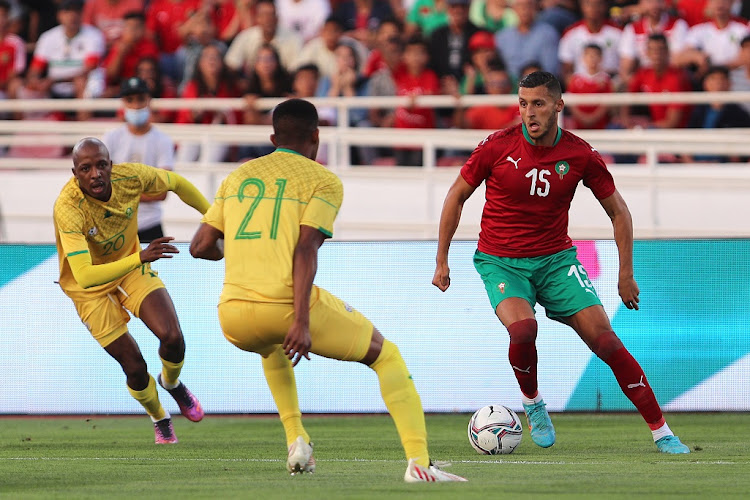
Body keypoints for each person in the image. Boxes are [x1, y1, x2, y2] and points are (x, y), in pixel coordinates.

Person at [189, 98, 467, 482]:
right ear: (316, 137)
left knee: (270, 347)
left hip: (233, 316)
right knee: (387, 357)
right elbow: (306, 249)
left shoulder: (238, 176)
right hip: (284, 306)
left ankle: (296, 440)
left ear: (273, 137)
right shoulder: (322, 180)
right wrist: (300, 321)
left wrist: (241, 248)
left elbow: (200, 247)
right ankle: (419, 463)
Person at [431, 71, 690, 455]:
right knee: (523, 330)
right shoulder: (496, 147)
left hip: (556, 261)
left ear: (558, 105)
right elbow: (455, 196)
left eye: (537, 103)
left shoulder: (580, 154)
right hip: (502, 262)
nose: (529, 113)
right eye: (522, 104)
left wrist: (626, 273)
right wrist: (442, 261)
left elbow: (619, 212)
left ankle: (662, 431)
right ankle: (533, 402)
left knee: (607, 341)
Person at [53, 137, 208, 444]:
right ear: (75, 173)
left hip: (131, 268)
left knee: (173, 337)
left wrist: (215, 218)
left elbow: (175, 182)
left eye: (101, 165)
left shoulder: (131, 177)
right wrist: (140, 256)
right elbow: (85, 276)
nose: (95, 173)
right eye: (86, 168)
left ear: (111, 165)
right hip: (90, 291)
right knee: (134, 366)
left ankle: (172, 383)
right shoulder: (68, 207)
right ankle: (159, 417)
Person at [102, 77, 176, 242]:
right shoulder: (111, 138)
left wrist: (122, 190)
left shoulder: (162, 140)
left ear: (149, 101)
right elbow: (103, 185)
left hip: (150, 224)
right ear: (123, 103)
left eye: (141, 99)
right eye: (130, 100)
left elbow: (162, 192)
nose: (136, 106)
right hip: (116, 224)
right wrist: (145, 191)